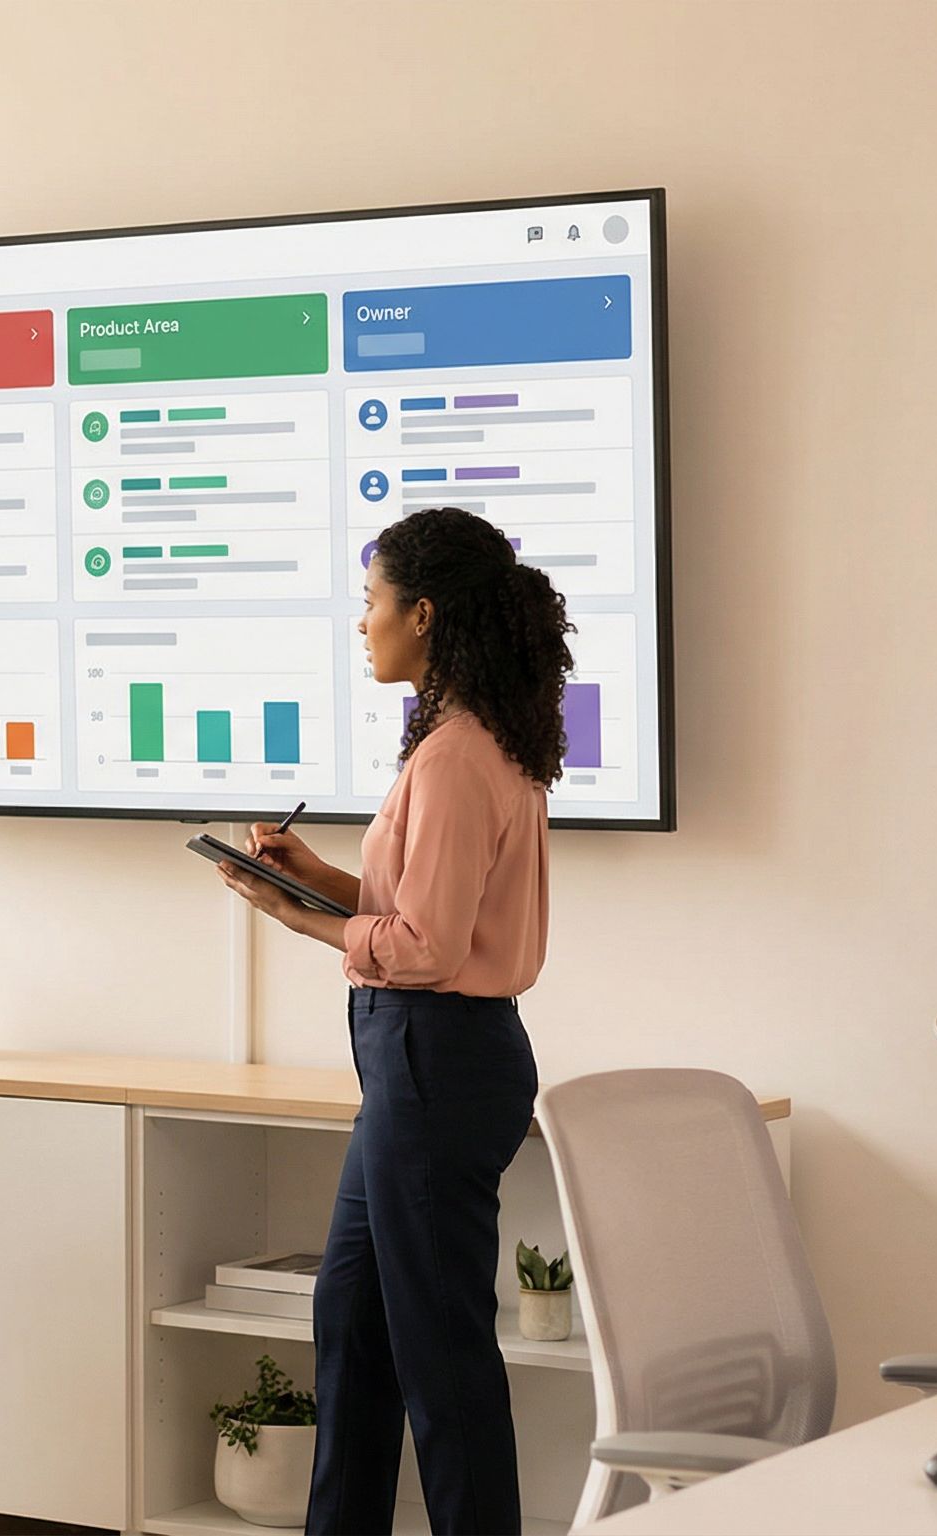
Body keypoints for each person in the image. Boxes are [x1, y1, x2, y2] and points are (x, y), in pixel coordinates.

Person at [213, 506, 568, 1536]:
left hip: (434, 1056)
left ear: (421, 613)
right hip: (428, 1059)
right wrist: (317, 878)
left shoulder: (456, 755)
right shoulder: (472, 741)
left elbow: (425, 950)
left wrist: (299, 921)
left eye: (370, 602)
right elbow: (410, 910)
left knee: (438, 1348)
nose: (360, 623)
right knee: (355, 1326)